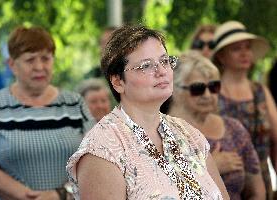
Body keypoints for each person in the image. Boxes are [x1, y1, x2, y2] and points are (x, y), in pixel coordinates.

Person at [66, 25, 229, 200]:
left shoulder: (188, 134)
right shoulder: (102, 148)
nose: (161, 71)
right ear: (118, 82)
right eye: (146, 66)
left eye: (165, 61)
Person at [0, 26, 95, 200]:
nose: (39, 67)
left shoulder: (74, 103)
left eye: (45, 58)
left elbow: (96, 162)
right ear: (12, 65)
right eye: (30, 60)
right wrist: (32, 197)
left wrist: (61, 194)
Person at [168, 51, 265, 200]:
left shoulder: (234, 128)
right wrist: (208, 169)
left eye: (214, 87)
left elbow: (257, 191)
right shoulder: (161, 132)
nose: (207, 95)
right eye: (198, 88)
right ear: (176, 90)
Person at [212, 20, 277, 200]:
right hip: (227, 184)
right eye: (236, 48)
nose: (244, 53)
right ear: (221, 56)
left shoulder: (260, 92)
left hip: (262, 182)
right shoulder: (211, 93)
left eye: (247, 47)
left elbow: (276, 138)